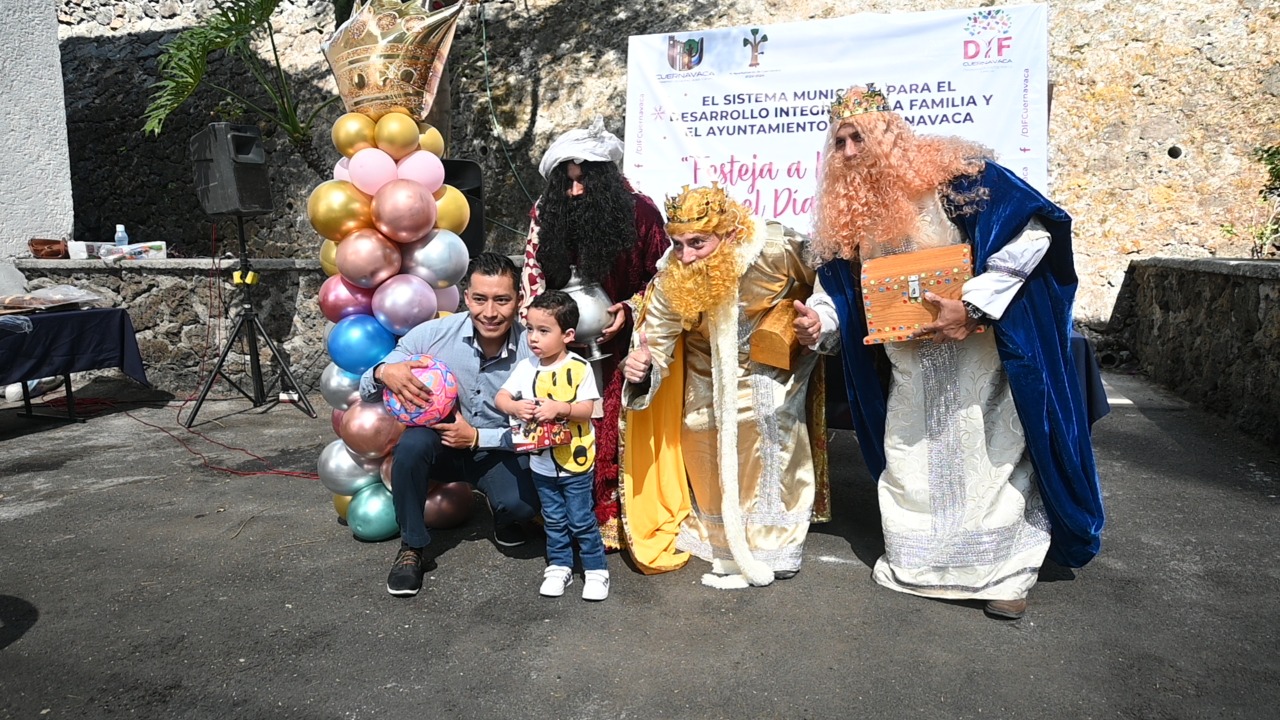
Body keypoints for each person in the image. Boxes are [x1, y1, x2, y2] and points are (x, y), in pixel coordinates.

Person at [796, 83, 1104, 619]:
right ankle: (922, 567)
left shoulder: (960, 183)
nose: (847, 151)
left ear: (891, 135)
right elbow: (839, 293)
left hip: (978, 360)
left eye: (858, 137)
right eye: (839, 142)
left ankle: (1006, 576)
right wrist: (817, 320)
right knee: (911, 462)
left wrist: (974, 306)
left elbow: (1031, 235)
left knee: (991, 458)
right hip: (909, 368)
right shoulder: (851, 218)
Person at [620, 183, 822, 589]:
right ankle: (717, 534)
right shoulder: (673, 275)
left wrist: (816, 318)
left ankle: (774, 540)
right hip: (705, 366)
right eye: (678, 244)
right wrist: (642, 363)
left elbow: (824, 283)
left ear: (729, 235)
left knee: (767, 419)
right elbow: (656, 339)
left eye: (698, 243)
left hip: (769, 361)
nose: (686, 256)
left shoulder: (775, 246)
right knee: (699, 427)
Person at [520, 116, 670, 549]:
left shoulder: (640, 212)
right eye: (567, 182)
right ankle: (565, 513)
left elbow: (664, 279)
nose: (575, 191)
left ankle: (615, 513)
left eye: (583, 180)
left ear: (603, 179)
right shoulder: (546, 211)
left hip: (625, 343)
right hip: (561, 348)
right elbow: (532, 271)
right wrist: (542, 326)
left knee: (613, 426)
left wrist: (629, 308)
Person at [360, 252, 539, 598]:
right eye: (480, 299)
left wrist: (477, 437)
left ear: (519, 300)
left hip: (495, 450)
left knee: (523, 505)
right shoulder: (432, 335)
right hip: (437, 444)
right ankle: (412, 546)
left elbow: (540, 432)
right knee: (411, 446)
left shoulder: (534, 352)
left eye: (502, 300)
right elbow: (367, 390)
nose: (490, 312)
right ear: (466, 297)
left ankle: (504, 516)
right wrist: (384, 371)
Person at [496, 291, 609, 601]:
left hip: (575, 461)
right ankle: (559, 566)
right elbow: (501, 397)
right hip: (541, 464)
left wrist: (561, 408)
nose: (533, 337)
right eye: (530, 329)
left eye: (544, 331)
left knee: (581, 518)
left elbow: (588, 409)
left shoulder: (579, 367)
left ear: (568, 335)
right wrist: (514, 407)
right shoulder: (525, 367)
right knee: (554, 518)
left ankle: (596, 569)